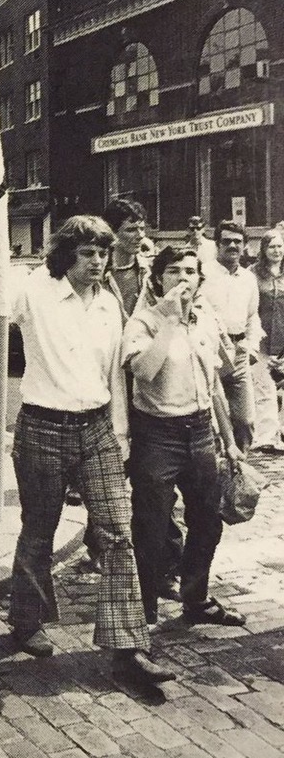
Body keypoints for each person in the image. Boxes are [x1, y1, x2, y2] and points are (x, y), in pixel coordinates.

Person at [7, 216, 172, 687]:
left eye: (102, 253)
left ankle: (128, 649)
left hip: (96, 428)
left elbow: (114, 375)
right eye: (87, 254)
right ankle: (25, 622)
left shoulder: (108, 305)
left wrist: (120, 434)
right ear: (66, 254)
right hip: (42, 426)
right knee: (39, 529)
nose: (98, 262)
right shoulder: (35, 290)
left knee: (119, 532)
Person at [124, 246, 245, 629]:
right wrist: (170, 323)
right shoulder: (142, 322)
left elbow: (214, 387)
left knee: (208, 520)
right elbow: (143, 372)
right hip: (158, 435)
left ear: (199, 280)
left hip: (200, 432)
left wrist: (230, 441)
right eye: (173, 271)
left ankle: (196, 597)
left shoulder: (206, 321)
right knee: (152, 526)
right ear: (158, 279)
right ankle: (142, 616)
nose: (182, 279)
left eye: (190, 272)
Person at [200, 220, 261, 452]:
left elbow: (253, 316)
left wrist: (251, 347)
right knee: (212, 423)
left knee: (245, 421)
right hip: (210, 352)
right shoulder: (203, 273)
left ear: (245, 246)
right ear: (217, 244)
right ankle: (215, 479)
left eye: (238, 241)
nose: (232, 246)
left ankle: (240, 475)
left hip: (239, 353)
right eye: (227, 241)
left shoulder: (249, 278)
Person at [251, 229, 284, 452]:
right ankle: (266, 438)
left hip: (282, 337)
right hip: (261, 339)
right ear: (263, 249)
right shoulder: (252, 274)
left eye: (280, 246)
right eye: (272, 246)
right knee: (264, 389)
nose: (277, 250)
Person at [102, 198, 150, 318]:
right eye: (131, 230)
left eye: (142, 228)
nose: (141, 235)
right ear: (112, 232)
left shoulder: (149, 271)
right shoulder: (99, 273)